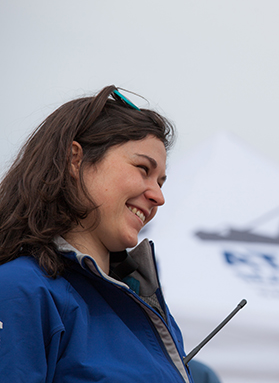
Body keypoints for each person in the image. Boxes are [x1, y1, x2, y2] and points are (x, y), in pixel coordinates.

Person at [0, 86, 220, 382]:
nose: (158, 196)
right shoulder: (20, 290)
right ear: (74, 160)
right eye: (143, 169)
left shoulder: (147, 309)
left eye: (161, 182)